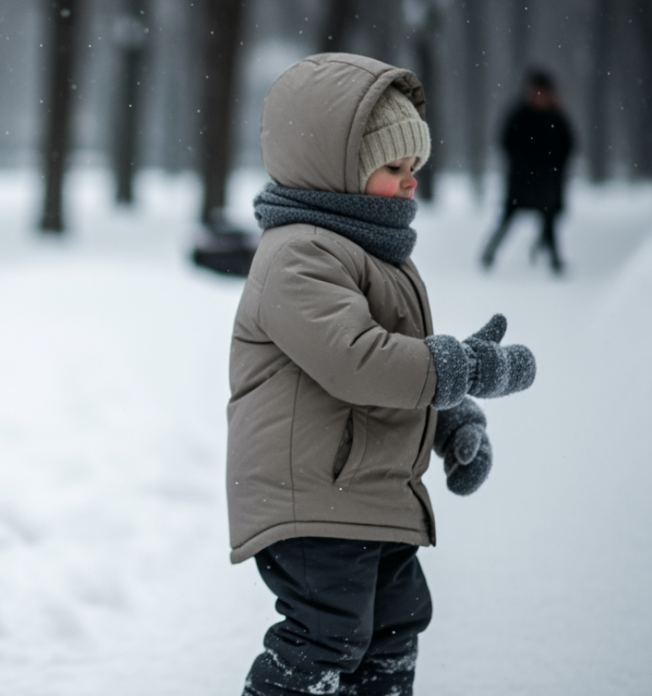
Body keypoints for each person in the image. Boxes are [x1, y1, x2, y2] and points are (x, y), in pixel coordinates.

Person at [229, 54, 538, 695]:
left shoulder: (373, 253)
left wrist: (450, 422)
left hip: (373, 492)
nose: (408, 183)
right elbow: (359, 360)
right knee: (327, 634)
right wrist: (466, 366)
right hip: (314, 495)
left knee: (396, 629)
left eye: (414, 170)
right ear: (335, 168)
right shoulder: (298, 254)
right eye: (392, 168)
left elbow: (400, 362)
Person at [481, 70, 574, 274]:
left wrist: (554, 168)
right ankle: (488, 255)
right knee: (508, 218)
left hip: (547, 182)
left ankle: (555, 262)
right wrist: (523, 164)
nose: (539, 97)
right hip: (521, 181)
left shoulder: (556, 118)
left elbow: (568, 146)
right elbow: (506, 142)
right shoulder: (519, 115)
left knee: (549, 221)